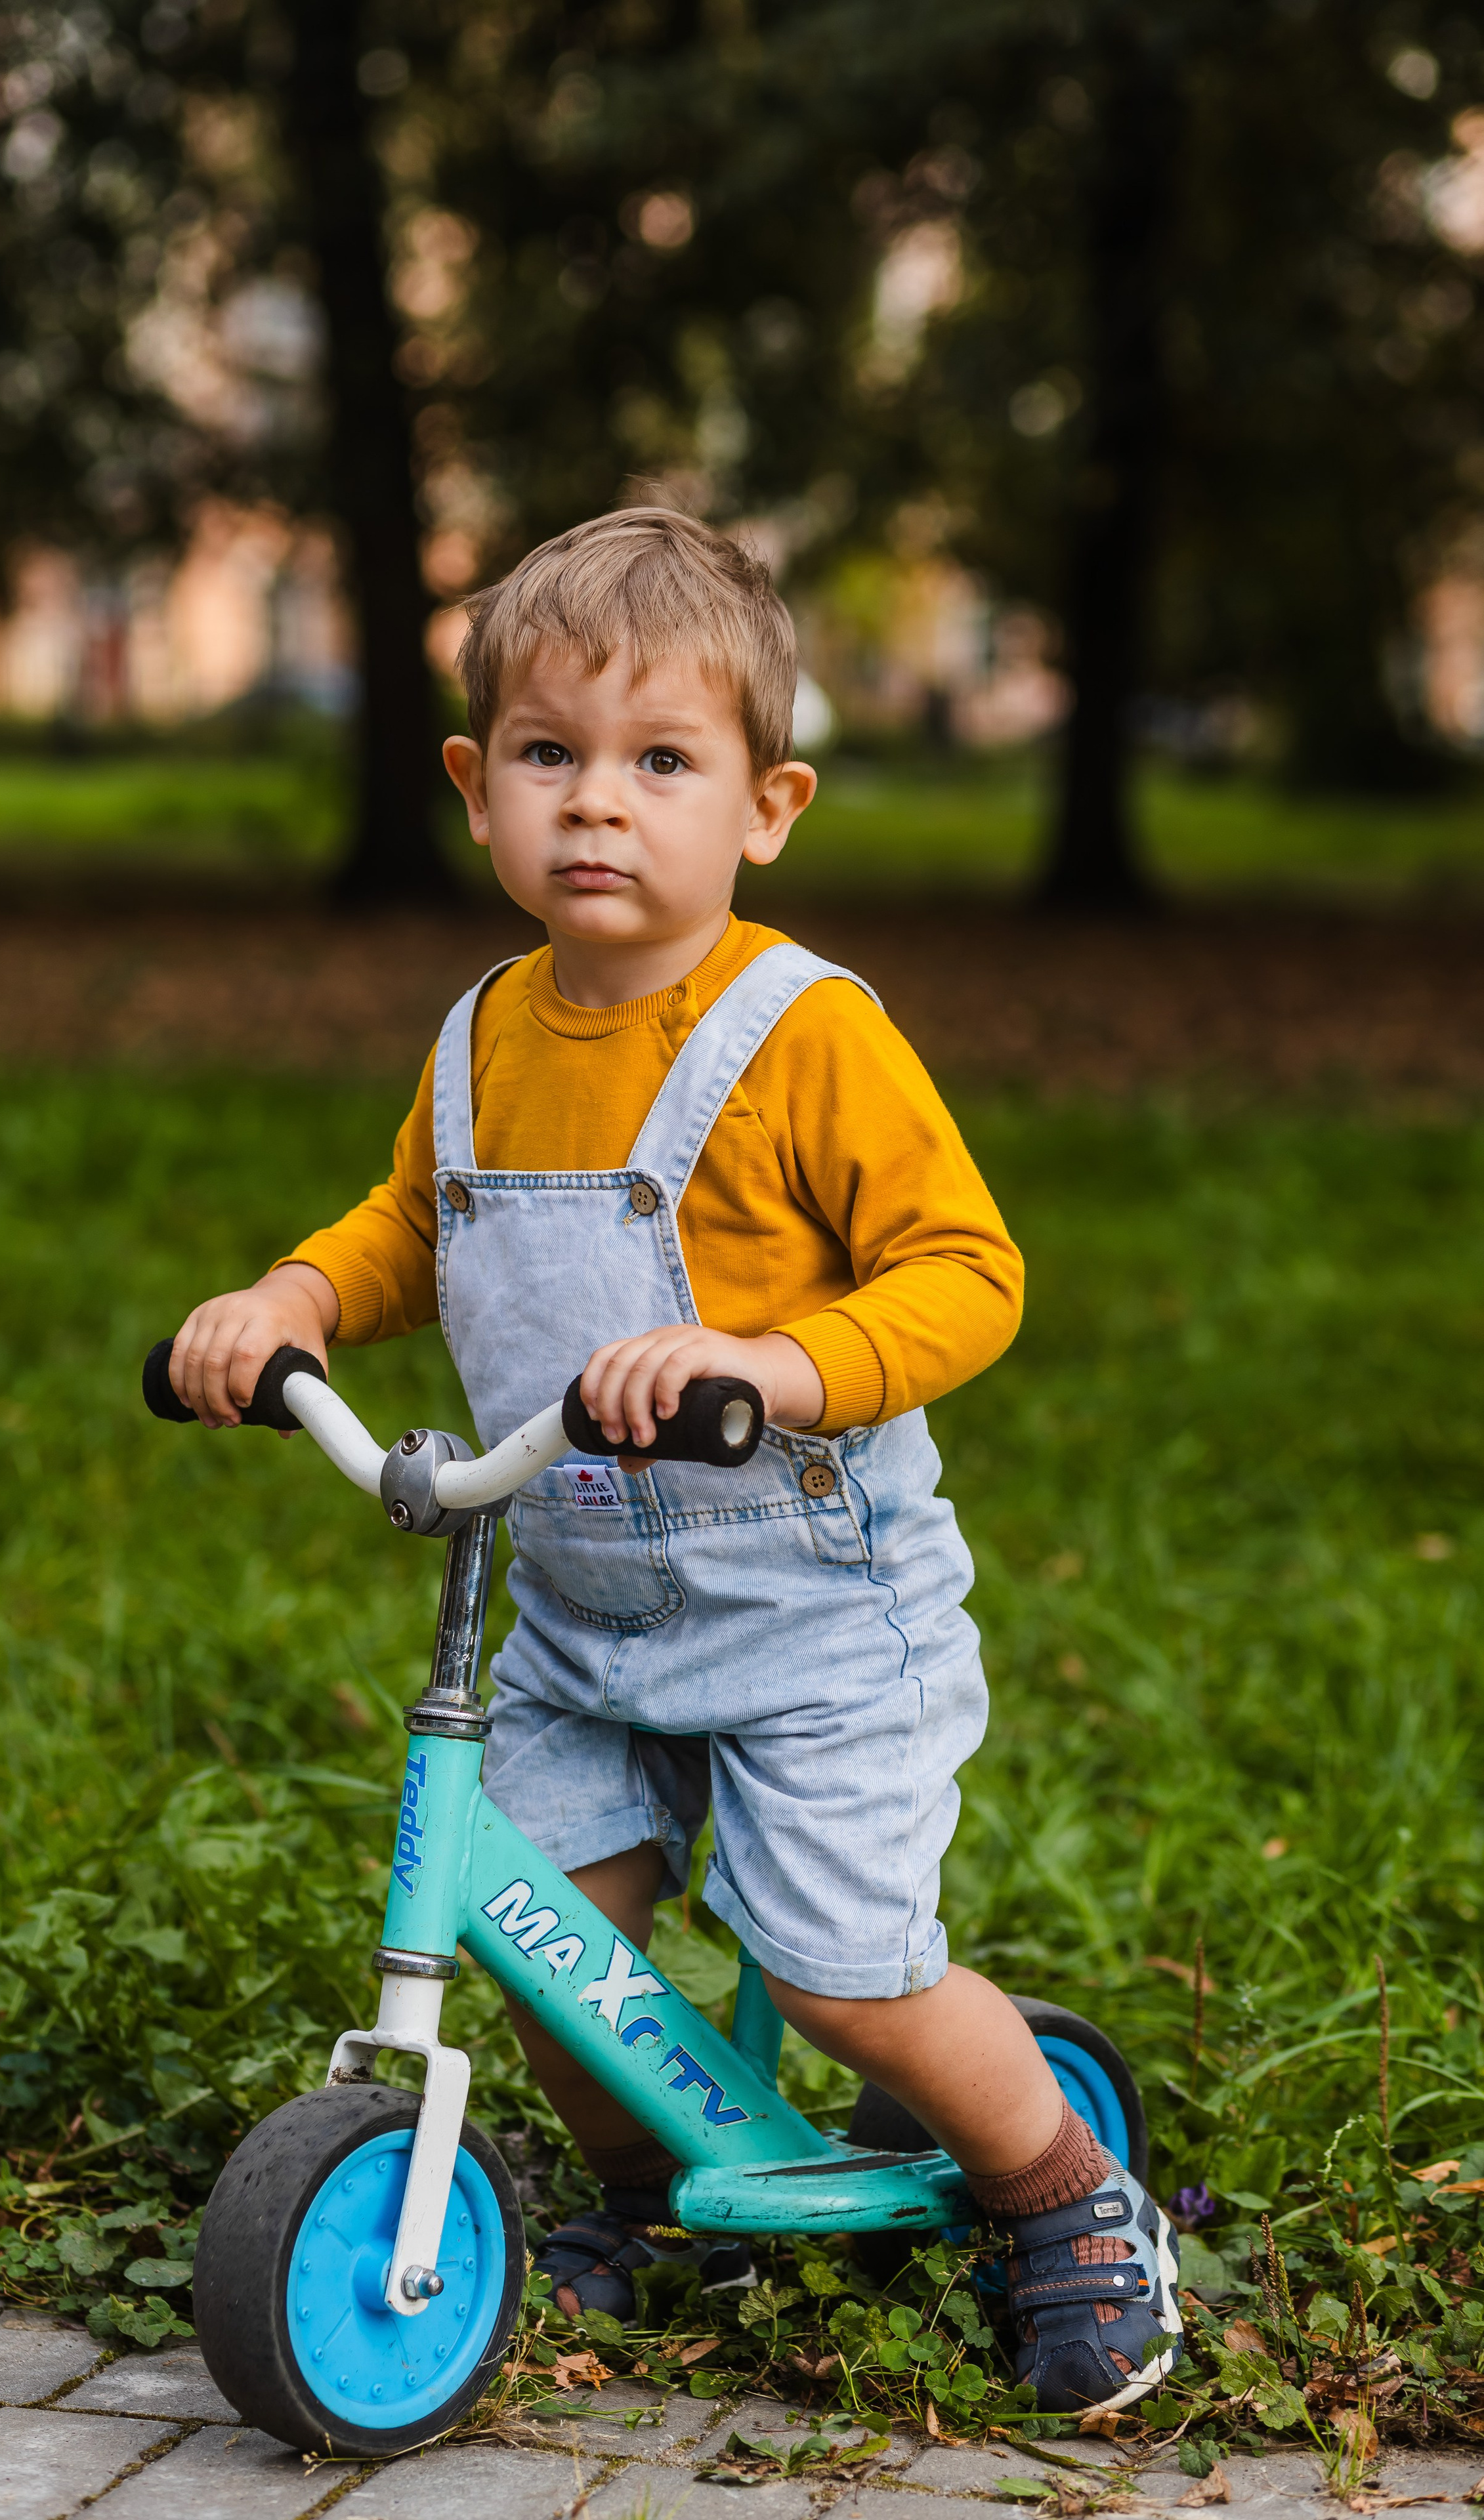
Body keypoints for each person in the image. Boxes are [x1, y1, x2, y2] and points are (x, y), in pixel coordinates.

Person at [167, 507, 1181, 2414]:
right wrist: (294, 1295)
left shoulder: (807, 1036)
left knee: (839, 1975)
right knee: (554, 1936)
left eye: (661, 763)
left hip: (811, 1609)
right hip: (575, 1597)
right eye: (549, 756)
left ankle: (1068, 2200)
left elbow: (973, 1277)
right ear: (475, 788)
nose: (598, 810)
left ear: (768, 804)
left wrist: (779, 1366)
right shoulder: (483, 1034)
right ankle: (634, 2200)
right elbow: (421, 1223)